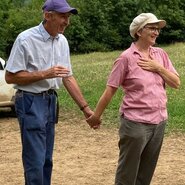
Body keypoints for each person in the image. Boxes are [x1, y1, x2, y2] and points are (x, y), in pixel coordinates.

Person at [5, 0, 95, 184]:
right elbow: (10, 77)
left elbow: (67, 77)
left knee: (46, 160)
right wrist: (45, 73)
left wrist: (86, 109)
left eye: (68, 17)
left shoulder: (62, 41)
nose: (67, 22)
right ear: (48, 15)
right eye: (63, 16)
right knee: (35, 161)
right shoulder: (25, 39)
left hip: (50, 101)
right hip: (30, 101)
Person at [86, 13, 180, 185]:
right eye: (152, 28)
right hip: (135, 124)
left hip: (159, 122)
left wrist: (158, 67)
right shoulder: (126, 58)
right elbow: (110, 90)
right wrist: (95, 116)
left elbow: (176, 83)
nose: (156, 32)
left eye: (157, 29)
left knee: (145, 175)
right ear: (139, 32)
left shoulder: (160, 55)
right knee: (127, 176)